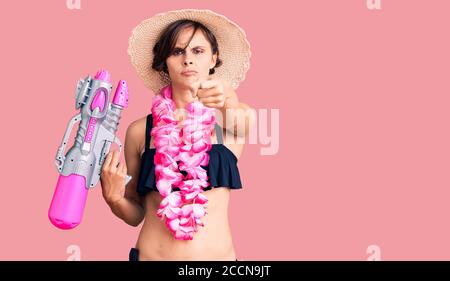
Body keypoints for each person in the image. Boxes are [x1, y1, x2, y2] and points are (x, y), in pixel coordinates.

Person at [100, 9, 254, 261]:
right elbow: (136, 213)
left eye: (198, 51)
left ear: (214, 58)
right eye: (177, 51)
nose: (187, 60)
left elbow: (243, 121)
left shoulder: (228, 121)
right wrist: (114, 198)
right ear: (164, 62)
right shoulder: (140, 131)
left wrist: (225, 101)